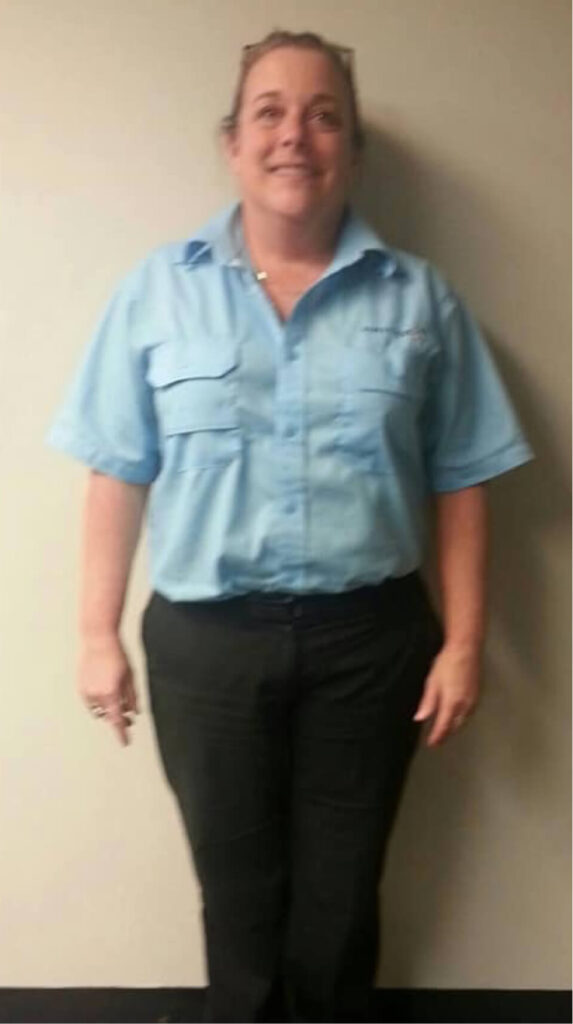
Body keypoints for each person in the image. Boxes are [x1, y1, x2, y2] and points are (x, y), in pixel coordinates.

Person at [47, 29, 533, 1024]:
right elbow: (116, 472)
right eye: (269, 111)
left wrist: (468, 643)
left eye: (323, 115)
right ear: (232, 141)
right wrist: (95, 634)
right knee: (237, 891)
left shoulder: (419, 300)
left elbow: (465, 480)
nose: (294, 135)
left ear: (350, 150)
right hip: (205, 647)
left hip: (372, 642)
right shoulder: (157, 292)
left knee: (342, 892)